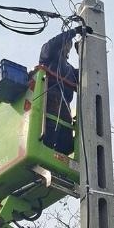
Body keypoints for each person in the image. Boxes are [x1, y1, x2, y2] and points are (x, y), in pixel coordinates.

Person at [38, 26, 90, 154]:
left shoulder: (70, 70)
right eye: (66, 43)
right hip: (49, 99)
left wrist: (83, 53)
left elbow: (86, 75)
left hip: (64, 106)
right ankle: (45, 150)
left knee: (66, 142)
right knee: (50, 130)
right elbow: (54, 43)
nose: (67, 46)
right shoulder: (48, 56)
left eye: (69, 45)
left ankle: (61, 159)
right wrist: (74, 32)